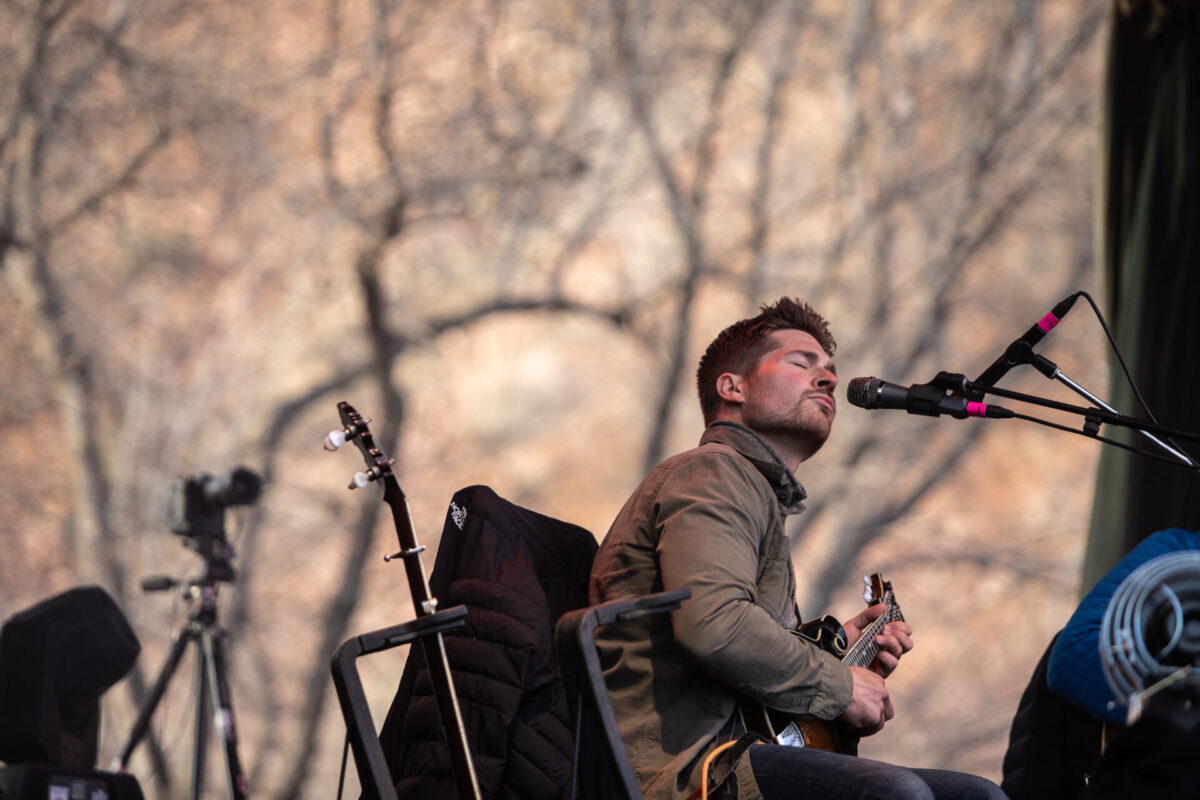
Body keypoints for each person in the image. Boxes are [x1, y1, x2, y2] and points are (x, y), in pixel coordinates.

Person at [588, 297, 1007, 800]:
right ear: (733, 387)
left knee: (975, 796)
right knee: (896, 794)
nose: (828, 378)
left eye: (830, 369)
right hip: (685, 771)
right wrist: (840, 687)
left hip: (735, 751)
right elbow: (713, 625)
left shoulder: (752, 491)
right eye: (801, 363)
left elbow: (746, 674)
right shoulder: (715, 474)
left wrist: (842, 655)